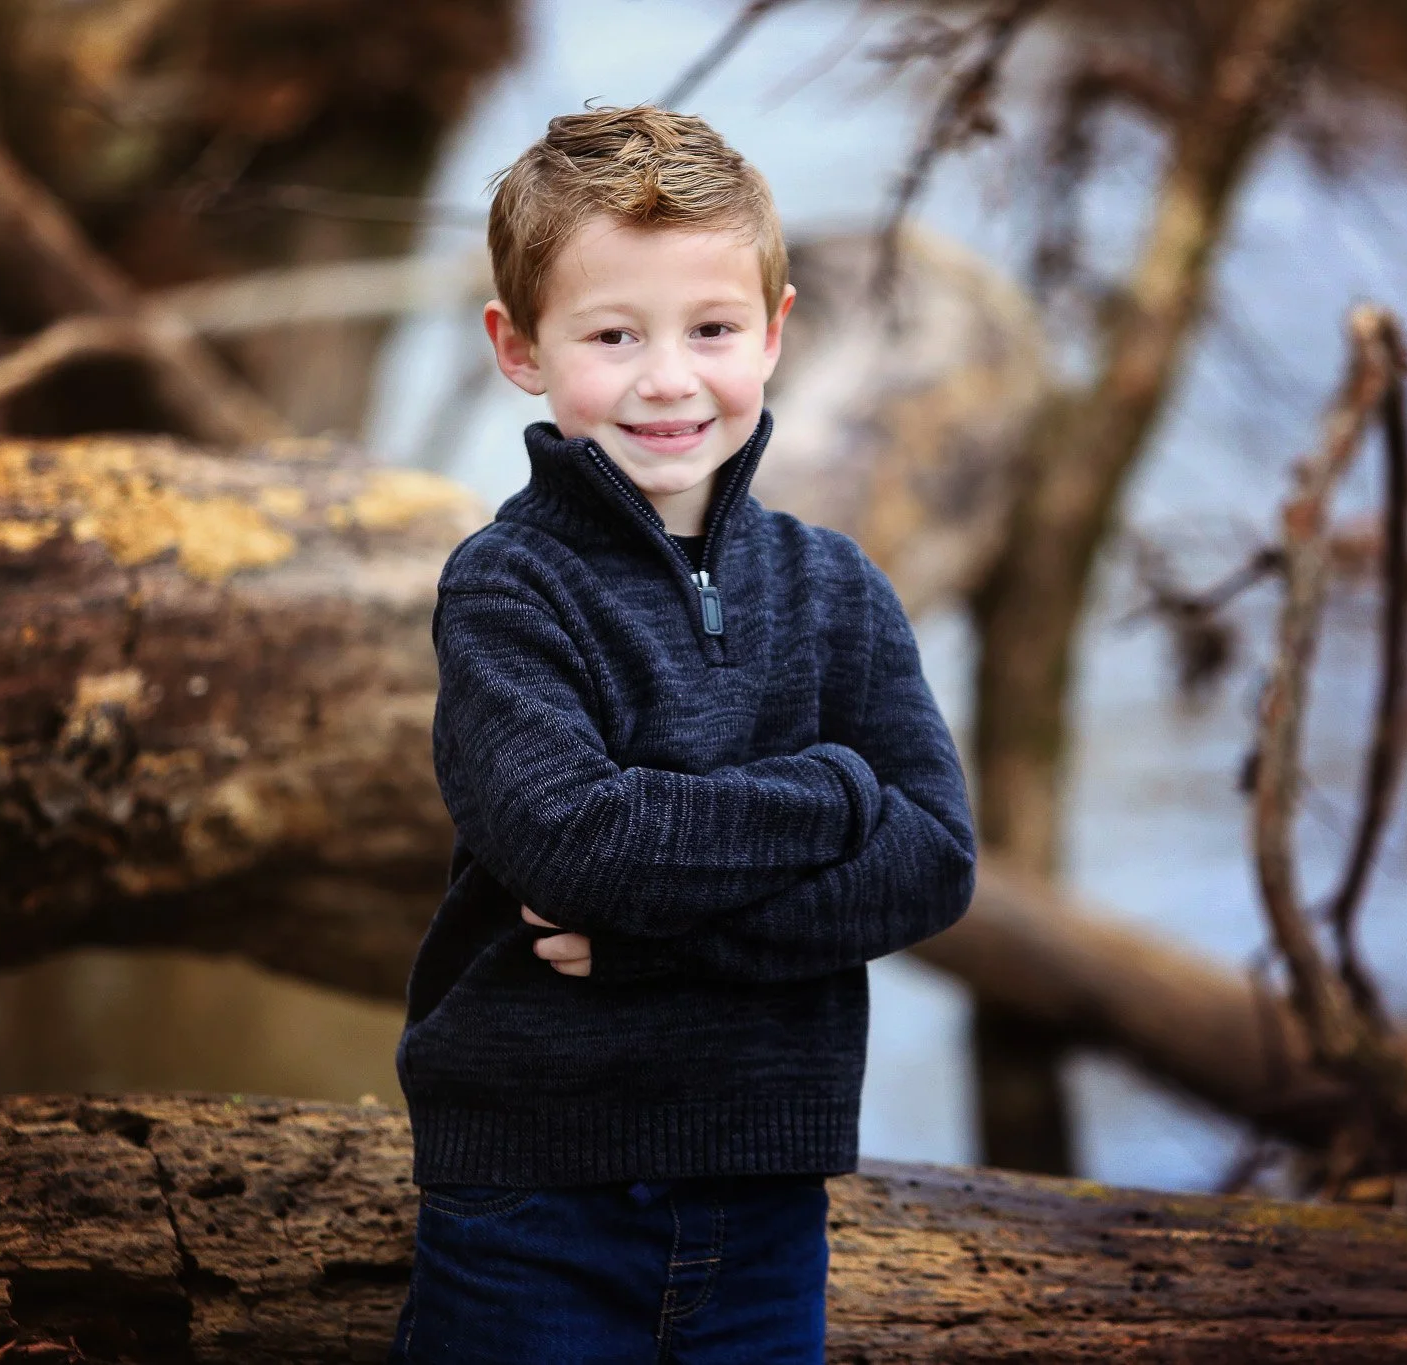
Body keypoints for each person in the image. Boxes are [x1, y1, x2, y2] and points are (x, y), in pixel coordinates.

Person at [388, 104, 976, 1364]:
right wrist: (830, 792)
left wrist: (656, 952)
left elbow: (932, 858)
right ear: (519, 346)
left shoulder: (835, 589)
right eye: (613, 334)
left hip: (766, 1207)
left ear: (773, 332)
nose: (667, 379)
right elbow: (582, 846)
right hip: (529, 1204)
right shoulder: (506, 592)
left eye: (709, 330)